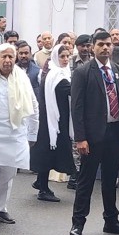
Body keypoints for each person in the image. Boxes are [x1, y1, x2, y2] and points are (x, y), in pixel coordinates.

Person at [70, 31, 119, 235]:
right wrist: (80, 138)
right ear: (93, 47)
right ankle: (78, 223)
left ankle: (111, 220)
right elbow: (77, 107)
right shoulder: (83, 72)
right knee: (86, 181)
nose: (105, 48)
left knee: (110, 180)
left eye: (108, 44)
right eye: (101, 45)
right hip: (92, 135)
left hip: (115, 133)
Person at [0, 44, 38, 225]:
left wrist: (32, 133)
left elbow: (33, 105)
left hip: (14, 133)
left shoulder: (22, 78)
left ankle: (1, 209)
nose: (8, 60)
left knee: (8, 174)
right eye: (4, 57)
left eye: (11, 57)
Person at [29, 45, 74, 203]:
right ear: (55, 57)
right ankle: (43, 188)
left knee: (48, 152)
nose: (65, 59)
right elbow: (72, 90)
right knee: (47, 153)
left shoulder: (59, 73)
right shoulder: (57, 76)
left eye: (68, 56)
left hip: (54, 120)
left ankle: (41, 183)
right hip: (52, 121)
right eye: (62, 56)